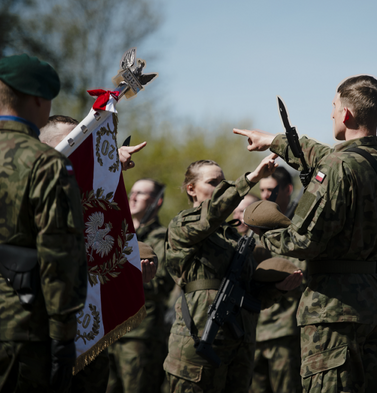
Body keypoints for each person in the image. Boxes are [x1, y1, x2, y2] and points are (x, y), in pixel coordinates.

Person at [234, 74, 377, 392]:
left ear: (346, 114)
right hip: (375, 303)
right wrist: (273, 139)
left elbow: (303, 240)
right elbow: (333, 156)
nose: (330, 114)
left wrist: (263, 233)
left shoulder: (338, 167)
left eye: (333, 106)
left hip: (333, 310)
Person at [164, 157, 303, 393]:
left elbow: (250, 296)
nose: (220, 188)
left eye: (223, 183)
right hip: (200, 341)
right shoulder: (182, 226)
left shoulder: (235, 239)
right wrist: (250, 179)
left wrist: (278, 289)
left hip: (240, 347)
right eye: (212, 182)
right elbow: (212, 214)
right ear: (191, 189)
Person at [39, 115, 155, 393]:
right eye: (72, 143)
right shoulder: (25, 183)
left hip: (84, 326)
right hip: (38, 329)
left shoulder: (85, 187)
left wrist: (107, 165)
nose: (79, 151)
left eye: (84, 145)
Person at [0, 54, 87, 392]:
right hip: (20, 328)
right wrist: (64, 336)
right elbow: (58, 253)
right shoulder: (44, 162)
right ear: (38, 99)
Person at [107, 178, 175, 393]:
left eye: (141, 193)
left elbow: (162, 283)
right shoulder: (115, 233)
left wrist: (128, 281)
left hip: (140, 333)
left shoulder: (163, 237)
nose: (133, 197)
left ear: (157, 201)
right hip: (108, 329)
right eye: (132, 192)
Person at [251, 167, 305, 393]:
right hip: (254, 330)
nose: (264, 195)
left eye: (270, 190)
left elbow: (300, 273)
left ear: (288, 190)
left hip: (284, 330)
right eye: (261, 190)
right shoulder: (253, 232)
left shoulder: (299, 230)